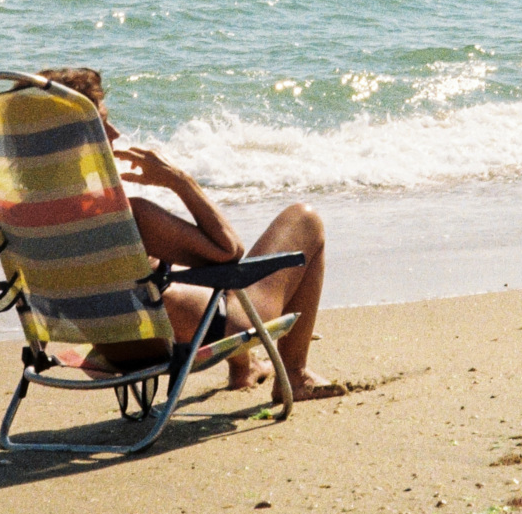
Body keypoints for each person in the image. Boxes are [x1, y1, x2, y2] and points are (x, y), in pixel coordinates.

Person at [39, 68, 346, 403]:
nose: (114, 133)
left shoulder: (26, 220)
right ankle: (296, 375)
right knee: (304, 220)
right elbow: (229, 251)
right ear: (73, 140)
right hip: (199, 334)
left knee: (182, 275)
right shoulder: (127, 218)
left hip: (115, 348)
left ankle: (244, 368)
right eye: (100, 123)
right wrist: (178, 180)